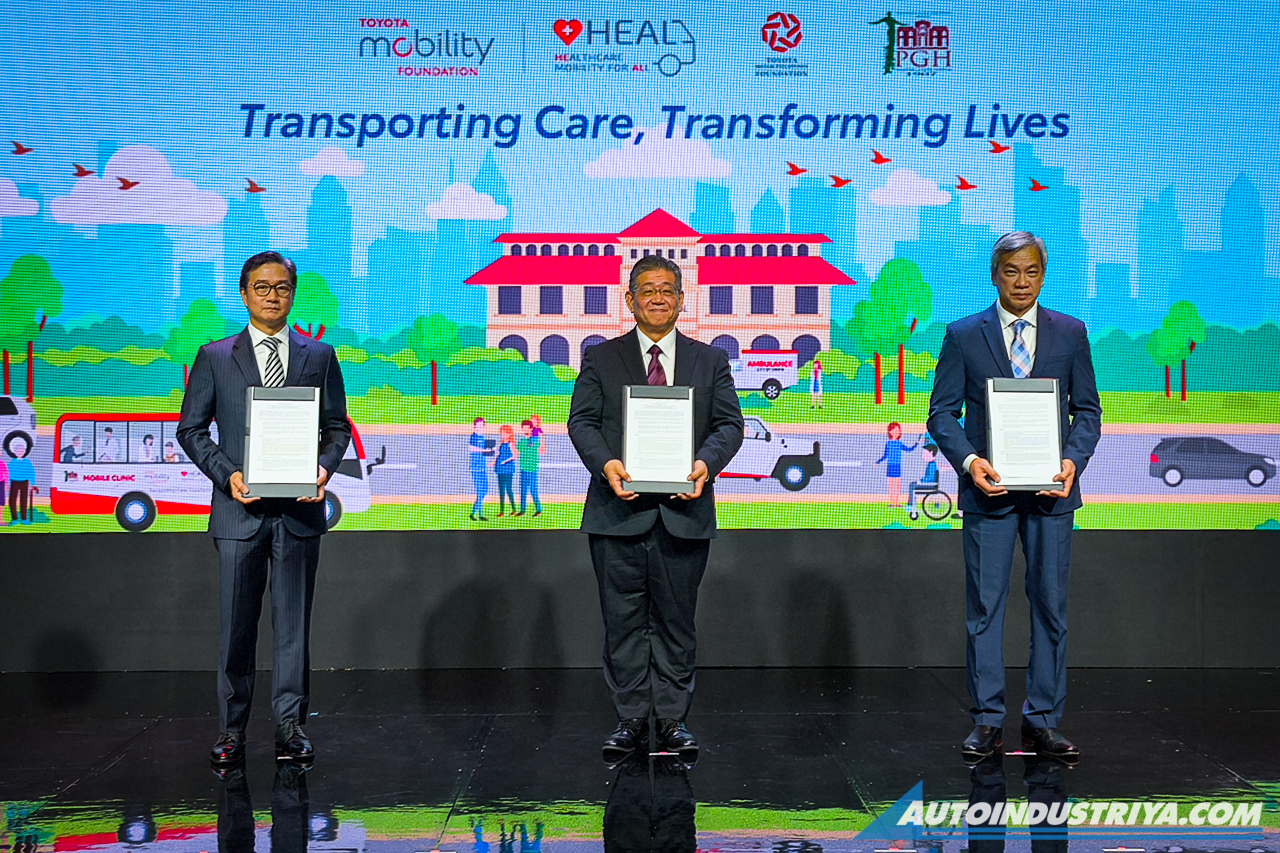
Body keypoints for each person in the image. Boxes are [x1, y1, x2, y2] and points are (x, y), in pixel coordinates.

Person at [927, 231, 1101, 763]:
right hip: (990, 495)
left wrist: (1072, 461)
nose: (1021, 282)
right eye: (1011, 271)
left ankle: (1043, 719)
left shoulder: (1071, 332)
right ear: (994, 275)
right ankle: (987, 720)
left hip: (1052, 495)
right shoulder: (963, 334)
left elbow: (1088, 412)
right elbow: (942, 414)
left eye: (1031, 271)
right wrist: (970, 462)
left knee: (1050, 607)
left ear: (1042, 276)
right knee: (985, 609)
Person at [567, 254, 744, 765]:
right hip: (617, 513)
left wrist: (705, 465)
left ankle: (671, 720)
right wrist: (607, 465)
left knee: (675, 622)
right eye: (647, 290)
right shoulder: (601, 358)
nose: (658, 298)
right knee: (622, 622)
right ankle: (629, 720)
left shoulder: (710, 360)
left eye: (667, 290)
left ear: (682, 299)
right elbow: (582, 423)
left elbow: (729, 425)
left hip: (684, 515)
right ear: (630, 299)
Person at [177, 251, 351, 767]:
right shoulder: (214, 356)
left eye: (282, 287)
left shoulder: (319, 355)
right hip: (239, 514)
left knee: (293, 628)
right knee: (237, 627)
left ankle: (291, 727)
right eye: (262, 287)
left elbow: (337, 427)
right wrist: (227, 474)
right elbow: (191, 429)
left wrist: (323, 469)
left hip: (298, 514)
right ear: (244, 293)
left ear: (292, 294)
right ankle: (231, 730)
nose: (273, 296)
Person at [875, 422, 918, 506]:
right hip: (890, 466)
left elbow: (909, 449)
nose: (896, 432)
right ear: (890, 432)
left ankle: (897, 502)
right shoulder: (888, 443)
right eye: (894, 430)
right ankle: (892, 502)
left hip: (897, 466)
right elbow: (885, 455)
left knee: (897, 486)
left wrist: (916, 444)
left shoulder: (899, 443)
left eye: (897, 430)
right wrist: (878, 462)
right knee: (891, 486)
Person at [6, 434, 39, 525]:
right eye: (18, 450)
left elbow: (31, 472)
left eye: (22, 450)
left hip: (24, 482)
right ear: (14, 452)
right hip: (14, 482)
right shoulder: (12, 462)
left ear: (24, 451)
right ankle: (14, 518)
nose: (20, 452)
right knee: (12, 500)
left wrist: (32, 484)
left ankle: (24, 518)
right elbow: (8, 474)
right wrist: (8, 484)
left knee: (24, 500)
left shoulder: (27, 462)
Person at [468, 417, 493, 521]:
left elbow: (484, 452)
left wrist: (491, 450)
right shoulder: (474, 436)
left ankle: (480, 514)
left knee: (485, 490)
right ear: (475, 426)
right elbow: (472, 448)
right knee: (480, 491)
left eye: (481, 425)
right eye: (478, 425)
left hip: (483, 467)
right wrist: (484, 450)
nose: (480, 427)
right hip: (476, 468)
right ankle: (474, 513)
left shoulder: (483, 437)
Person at [516, 419, 542, 517]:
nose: (525, 430)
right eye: (524, 428)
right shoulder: (521, 442)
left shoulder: (535, 440)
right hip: (523, 470)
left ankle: (538, 509)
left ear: (531, 429)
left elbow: (542, 451)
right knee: (523, 491)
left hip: (532, 470)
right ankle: (522, 510)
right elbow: (516, 453)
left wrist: (542, 437)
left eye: (527, 428)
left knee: (533, 491)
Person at [905, 443, 940, 512]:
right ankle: (911, 505)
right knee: (913, 484)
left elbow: (930, 477)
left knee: (912, 486)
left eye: (925, 453)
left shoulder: (932, 465)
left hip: (930, 485)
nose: (923, 456)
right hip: (929, 484)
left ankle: (911, 505)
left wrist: (921, 481)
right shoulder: (931, 464)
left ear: (931, 453)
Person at [493, 424, 518, 516]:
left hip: (508, 470)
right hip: (500, 469)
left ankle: (514, 508)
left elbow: (515, 455)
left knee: (509, 489)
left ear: (509, 434)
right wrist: (494, 462)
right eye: (502, 433)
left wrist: (505, 461)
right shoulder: (501, 443)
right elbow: (498, 455)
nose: (503, 435)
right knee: (501, 490)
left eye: (505, 433)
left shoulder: (511, 444)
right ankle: (502, 511)